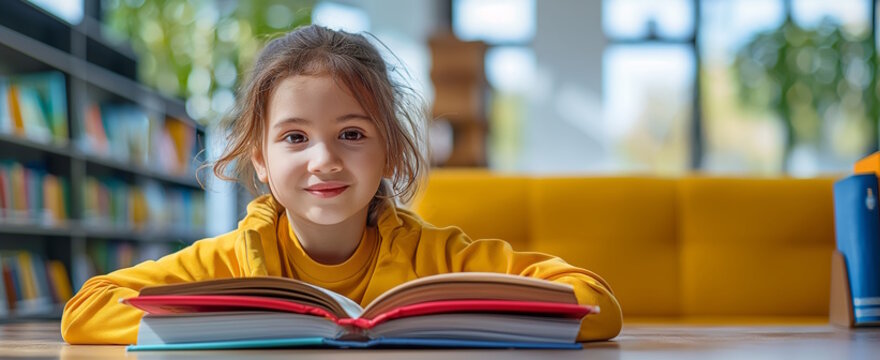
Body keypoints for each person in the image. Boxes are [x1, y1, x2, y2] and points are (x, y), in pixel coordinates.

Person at [60, 25, 622, 345]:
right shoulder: (227, 260)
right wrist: (237, 325)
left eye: (351, 134)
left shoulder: (440, 255)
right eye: (295, 138)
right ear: (260, 159)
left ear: (390, 152)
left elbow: (597, 304)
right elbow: (84, 313)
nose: (324, 160)